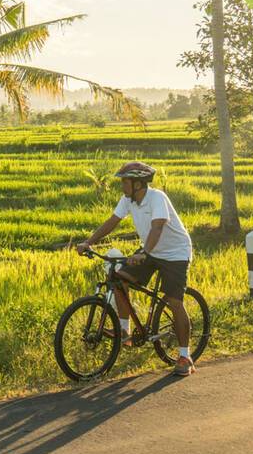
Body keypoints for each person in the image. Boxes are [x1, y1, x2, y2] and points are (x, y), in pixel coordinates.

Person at [76, 161, 196, 377]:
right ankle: (125, 331)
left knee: (174, 301)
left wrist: (144, 253)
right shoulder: (128, 200)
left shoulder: (157, 198)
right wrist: (89, 242)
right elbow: (112, 221)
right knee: (119, 280)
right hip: (151, 251)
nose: (122, 186)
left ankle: (185, 356)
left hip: (175, 253)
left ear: (138, 184)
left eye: (125, 181)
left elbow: (158, 227)